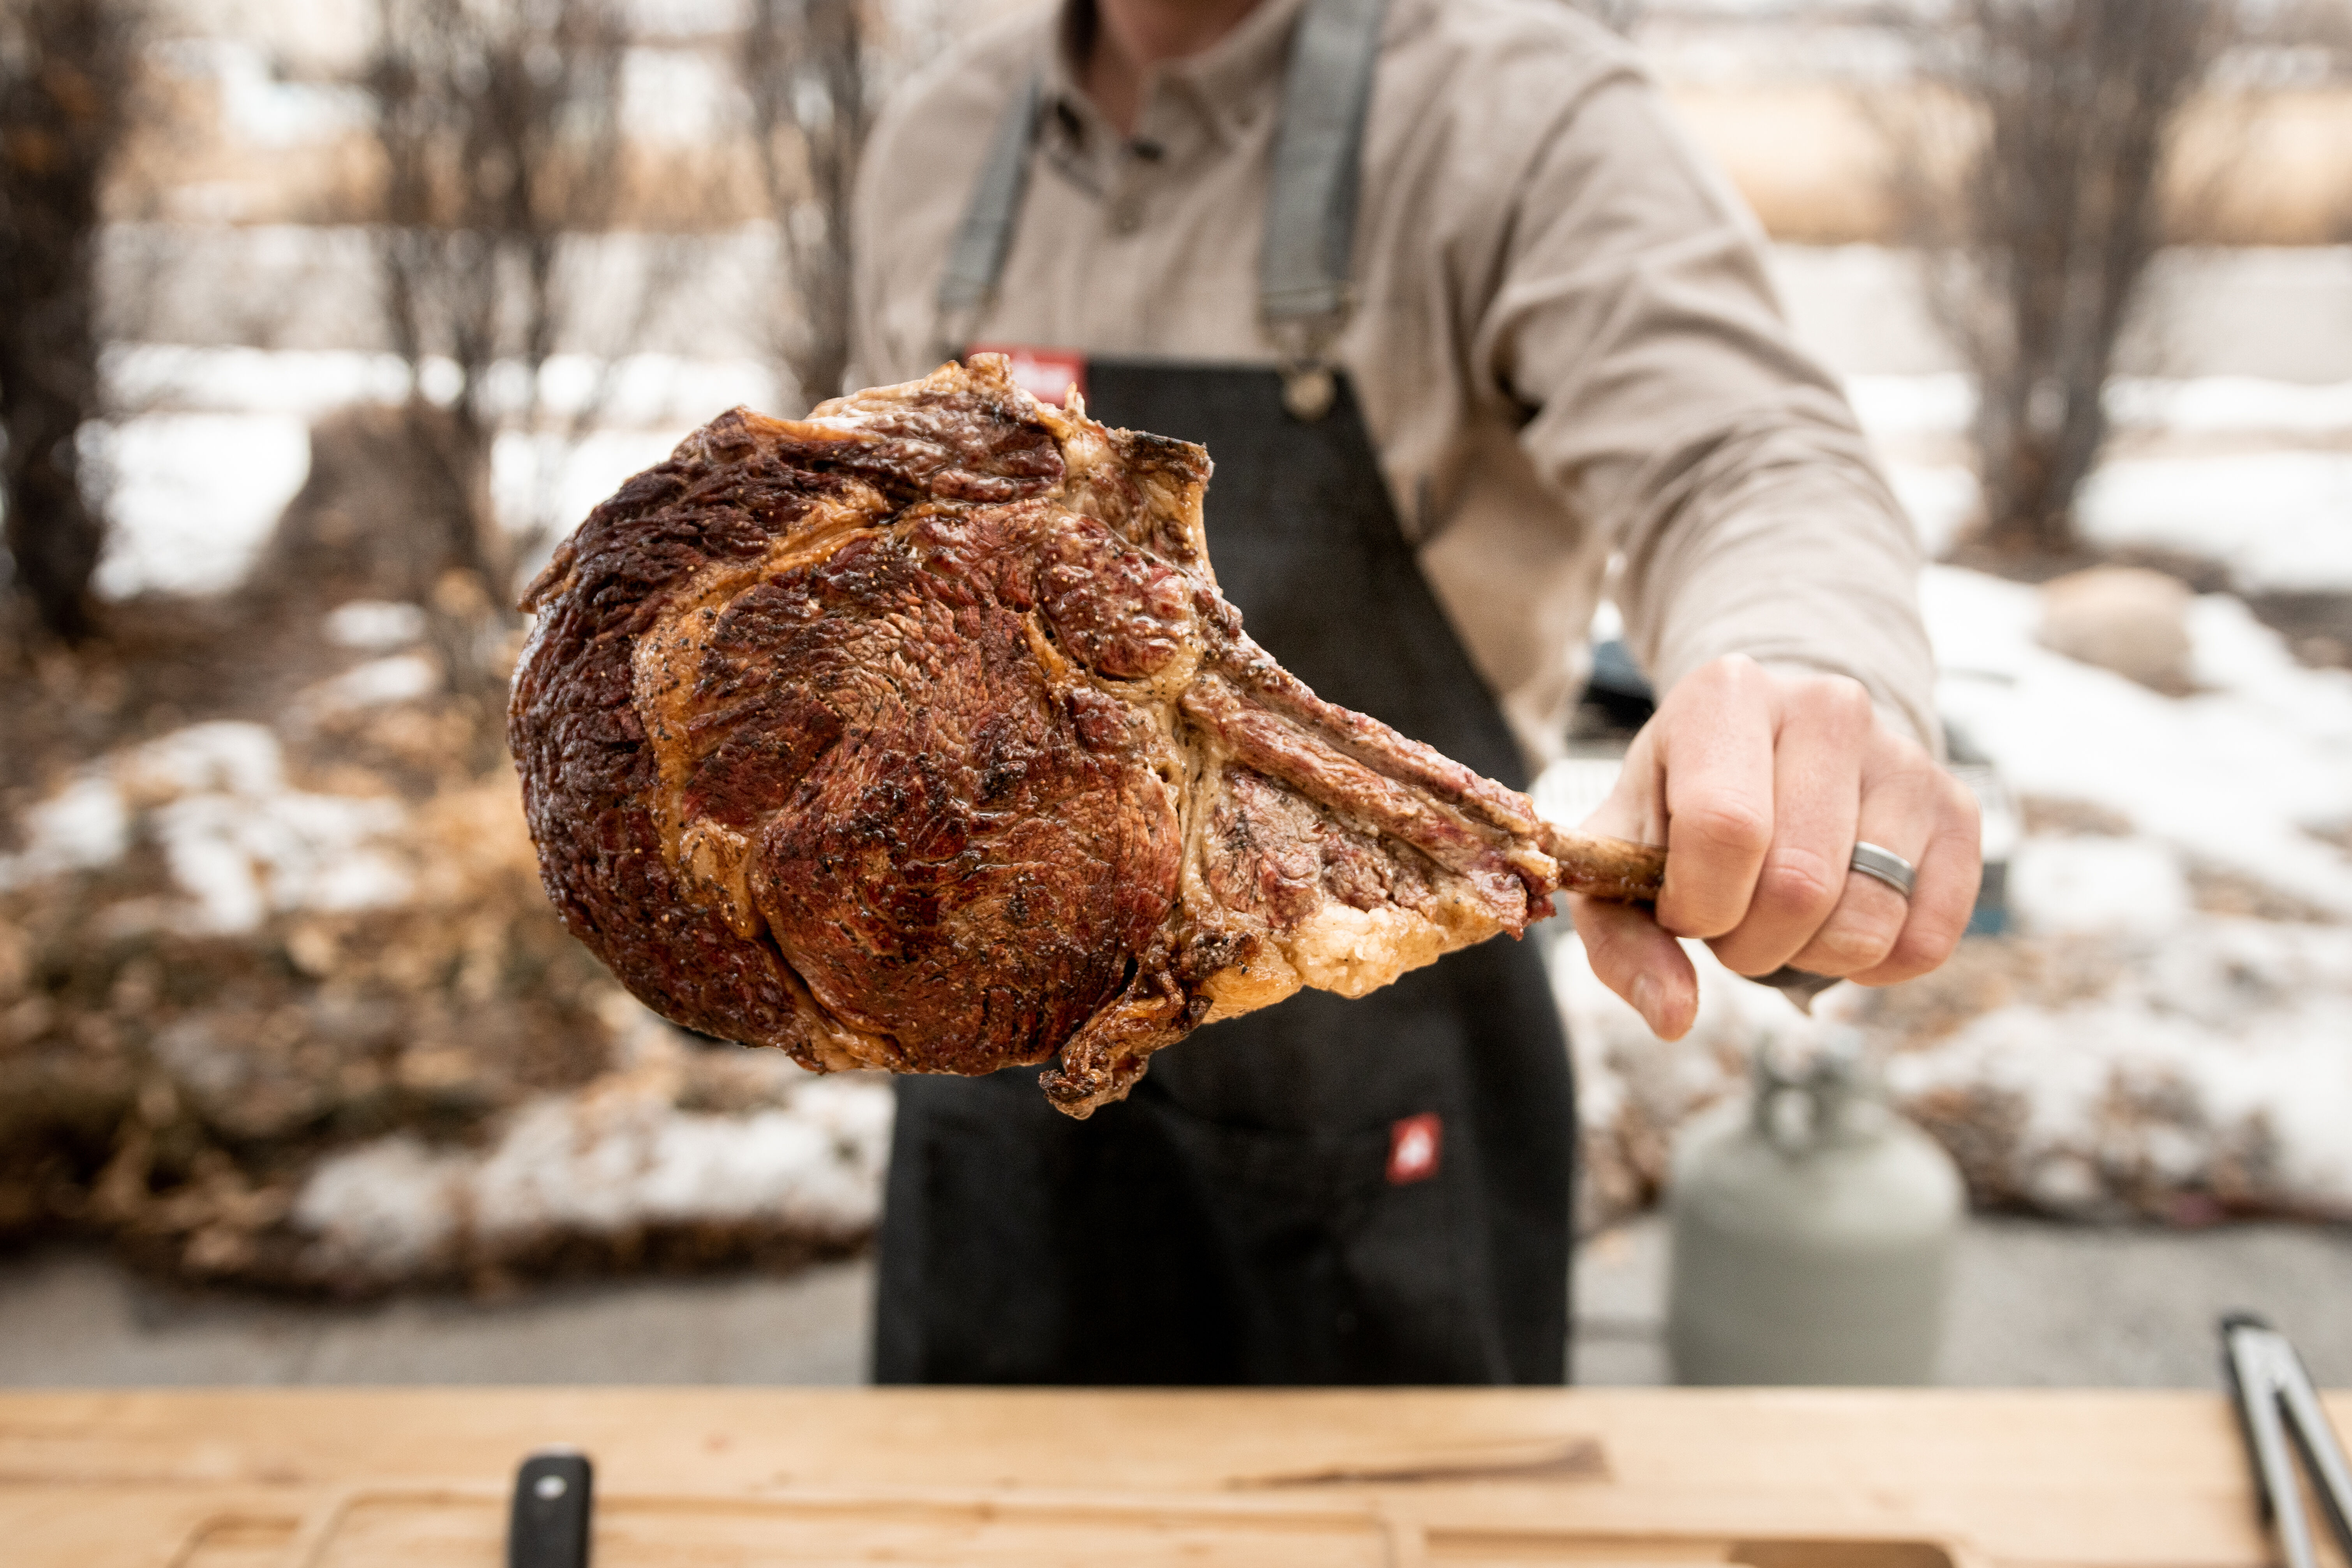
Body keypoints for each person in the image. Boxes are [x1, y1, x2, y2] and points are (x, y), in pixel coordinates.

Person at [845, 0, 1981, 1385]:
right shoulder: (933, 145)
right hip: (993, 1124)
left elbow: (1743, 457)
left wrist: (1807, 671)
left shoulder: (1522, 117)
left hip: (1383, 1121)